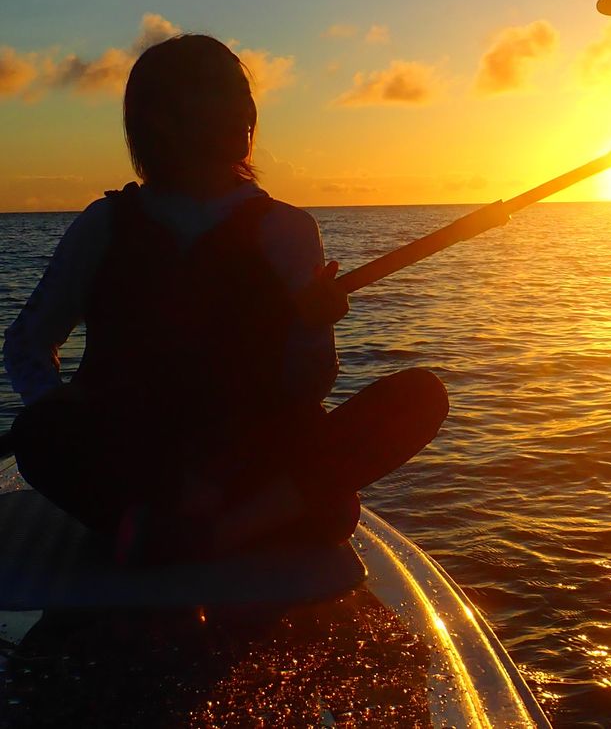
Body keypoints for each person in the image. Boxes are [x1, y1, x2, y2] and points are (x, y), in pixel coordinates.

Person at [2, 34, 449, 563]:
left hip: (250, 454)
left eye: (244, 92)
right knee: (38, 433)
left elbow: (310, 384)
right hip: (140, 456)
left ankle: (199, 533)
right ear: (162, 117)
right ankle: (210, 519)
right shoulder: (104, 226)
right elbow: (28, 345)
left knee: (421, 395)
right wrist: (59, 402)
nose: (246, 108)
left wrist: (313, 324)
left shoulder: (288, 229)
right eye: (220, 92)